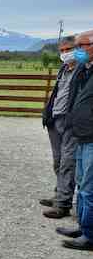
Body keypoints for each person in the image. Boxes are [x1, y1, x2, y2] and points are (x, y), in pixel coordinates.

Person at [60, 29, 93, 251]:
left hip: (91, 135)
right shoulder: (85, 70)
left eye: (82, 46)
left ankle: (90, 235)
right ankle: (83, 226)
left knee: (89, 187)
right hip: (81, 134)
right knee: (82, 182)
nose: (78, 51)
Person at [40, 36, 79, 219]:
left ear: (77, 49)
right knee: (58, 160)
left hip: (71, 121)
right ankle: (59, 193)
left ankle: (63, 203)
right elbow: (57, 93)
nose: (64, 53)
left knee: (67, 162)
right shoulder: (63, 69)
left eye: (68, 49)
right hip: (55, 119)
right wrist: (47, 113)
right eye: (62, 50)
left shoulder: (82, 70)